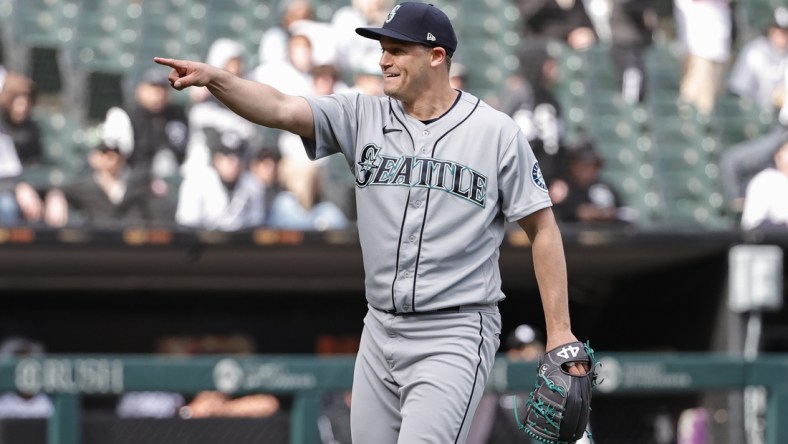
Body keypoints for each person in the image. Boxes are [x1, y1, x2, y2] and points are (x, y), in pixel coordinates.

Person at [154, 3, 587, 443]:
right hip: (379, 328)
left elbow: (543, 229)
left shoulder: (496, 133)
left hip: (454, 332)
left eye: (398, 49)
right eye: (383, 49)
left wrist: (560, 331)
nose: (383, 59)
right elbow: (281, 107)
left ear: (436, 57)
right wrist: (216, 79)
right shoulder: (362, 114)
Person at [43, 138, 175, 228]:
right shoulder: (86, 186)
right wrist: (55, 196)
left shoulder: (138, 182)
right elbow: (58, 189)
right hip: (103, 246)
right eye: (106, 153)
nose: (112, 159)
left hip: (136, 245)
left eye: (116, 154)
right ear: (95, 158)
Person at [175, 127, 265, 231]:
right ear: (216, 159)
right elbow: (187, 224)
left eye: (238, 156)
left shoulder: (253, 184)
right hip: (201, 242)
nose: (234, 162)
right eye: (227, 156)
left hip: (240, 244)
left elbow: (255, 224)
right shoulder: (196, 181)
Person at [549, 139, 631, 225]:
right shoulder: (563, 188)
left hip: (607, 235)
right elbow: (555, 216)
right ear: (572, 165)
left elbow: (626, 214)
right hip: (572, 236)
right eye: (582, 164)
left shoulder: (605, 187)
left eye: (592, 164)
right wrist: (578, 212)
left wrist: (609, 214)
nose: (587, 169)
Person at [740, 139, 788, 230]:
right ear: (778, 156)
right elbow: (751, 225)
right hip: (774, 241)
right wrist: (783, 225)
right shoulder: (765, 180)